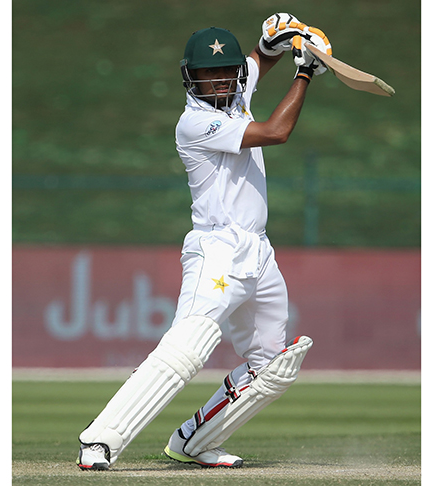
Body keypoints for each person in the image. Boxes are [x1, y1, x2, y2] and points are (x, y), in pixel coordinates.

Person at [76, 13, 330, 470]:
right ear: (189, 78)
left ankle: (194, 441)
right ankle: (100, 440)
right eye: (205, 74)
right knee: (189, 344)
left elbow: (258, 59)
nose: (216, 82)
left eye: (223, 73)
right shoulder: (194, 123)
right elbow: (277, 131)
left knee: (272, 365)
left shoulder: (236, 91)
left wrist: (276, 36)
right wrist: (306, 70)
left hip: (259, 251)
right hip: (218, 251)